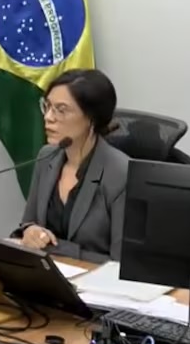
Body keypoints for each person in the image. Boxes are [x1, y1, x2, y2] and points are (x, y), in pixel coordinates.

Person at [14, 69, 129, 262]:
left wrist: (58, 249)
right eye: (47, 106)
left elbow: (122, 263)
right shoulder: (47, 157)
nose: (48, 117)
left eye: (61, 110)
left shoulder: (121, 173)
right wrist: (30, 231)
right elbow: (28, 222)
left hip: (94, 279)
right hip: (46, 274)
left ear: (91, 118)